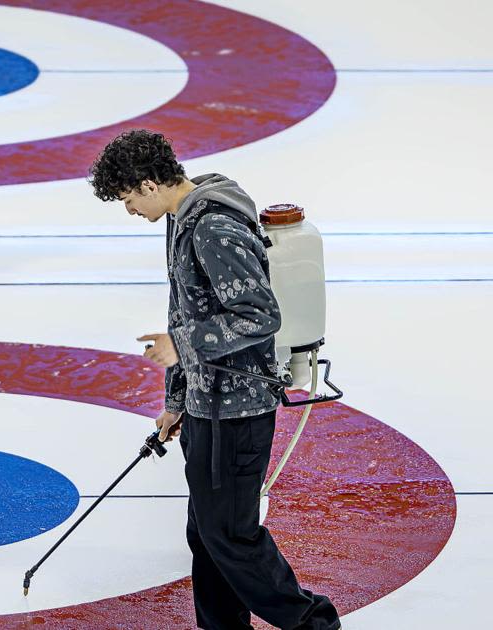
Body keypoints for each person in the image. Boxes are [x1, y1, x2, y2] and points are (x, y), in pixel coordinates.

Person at [88, 129, 341, 630]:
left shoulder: (214, 228)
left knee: (231, 535)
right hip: (207, 403)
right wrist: (177, 399)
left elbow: (259, 315)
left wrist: (181, 346)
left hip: (239, 410)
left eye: (128, 199)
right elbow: (185, 309)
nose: (129, 210)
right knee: (207, 532)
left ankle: (313, 623)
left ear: (149, 184)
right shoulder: (180, 220)